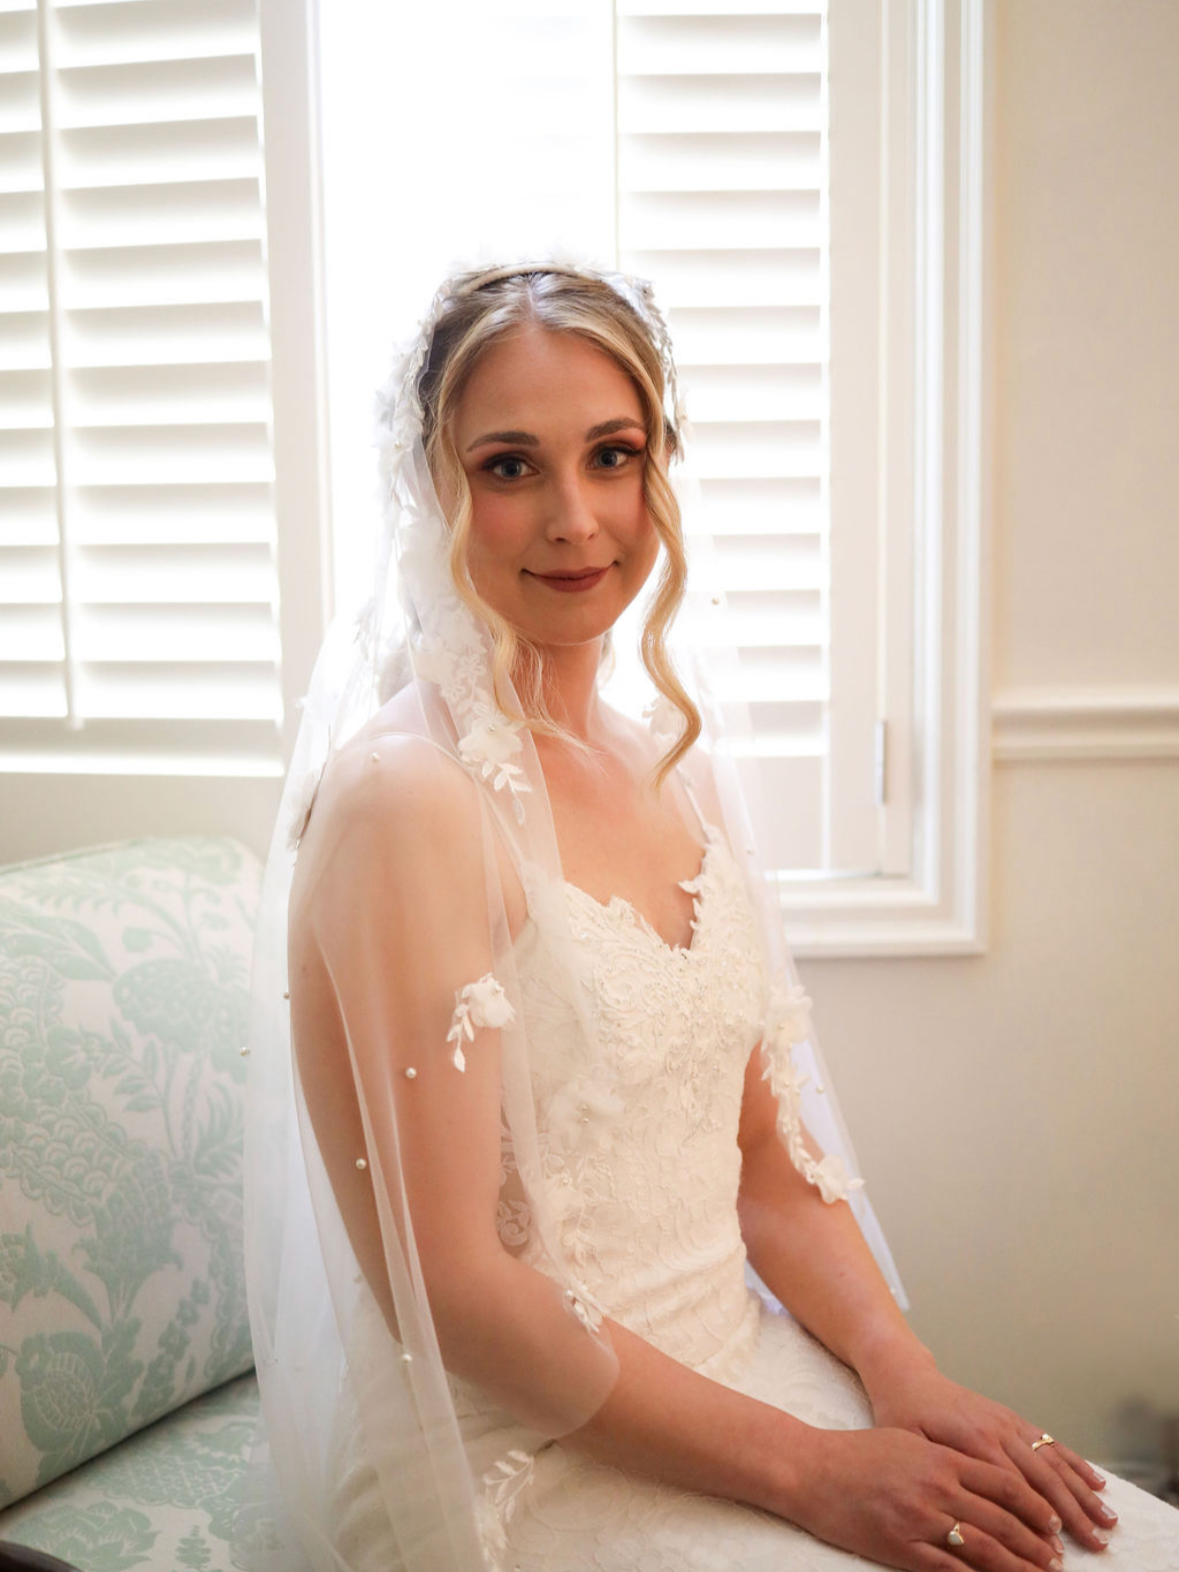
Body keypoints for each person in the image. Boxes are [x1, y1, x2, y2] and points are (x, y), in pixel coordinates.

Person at [236, 263, 1179, 1572]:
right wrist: (814, 1475)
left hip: (743, 1374)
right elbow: (454, 1287)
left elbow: (767, 1166)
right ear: (431, 488)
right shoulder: (408, 801)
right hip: (525, 1450)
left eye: (610, 456)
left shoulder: (669, 765)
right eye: (511, 467)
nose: (574, 517)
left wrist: (902, 1376)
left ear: (657, 467)